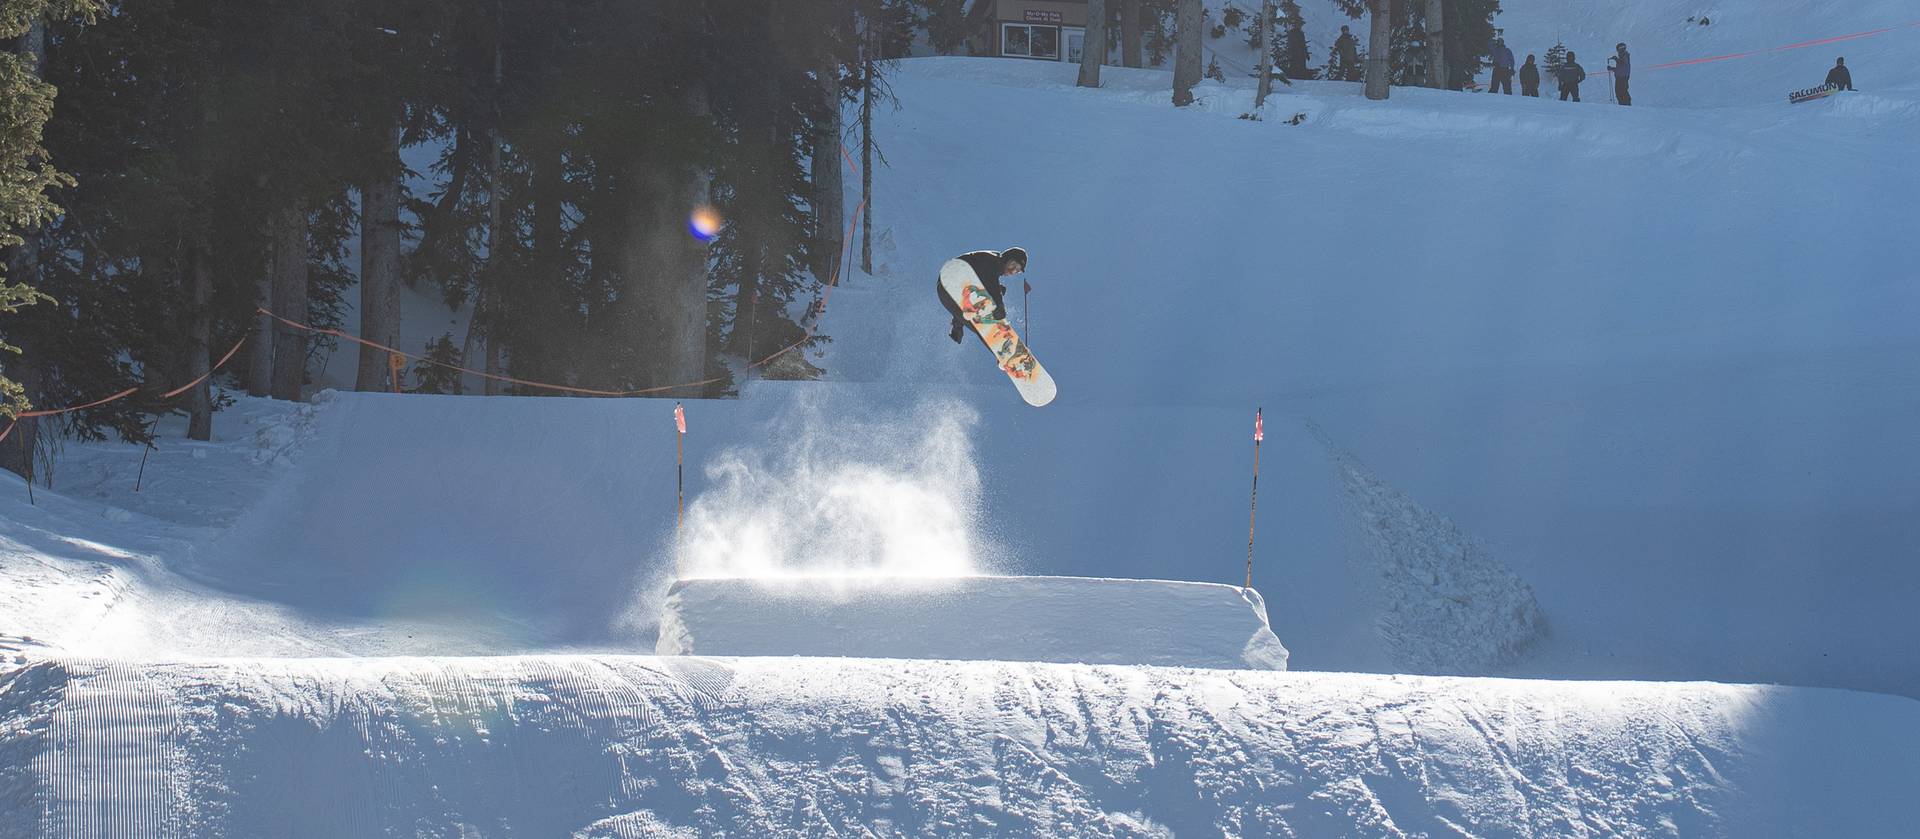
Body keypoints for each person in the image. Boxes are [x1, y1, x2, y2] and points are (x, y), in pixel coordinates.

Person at [939, 248, 1026, 344]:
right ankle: (1000, 341)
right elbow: (991, 281)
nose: (1012, 270)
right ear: (1007, 258)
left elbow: (965, 298)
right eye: (1013, 265)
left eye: (1016, 270)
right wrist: (999, 305)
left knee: (998, 292)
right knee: (997, 293)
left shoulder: (990, 268)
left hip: (945, 292)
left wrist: (958, 324)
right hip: (953, 276)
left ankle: (1001, 347)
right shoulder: (993, 260)